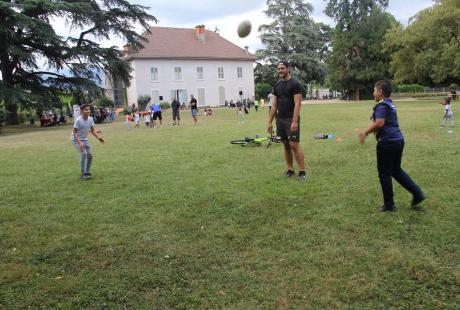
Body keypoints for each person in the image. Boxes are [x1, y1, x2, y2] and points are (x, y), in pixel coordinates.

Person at [358, 80, 425, 212]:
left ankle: (389, 205)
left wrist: (365, 132)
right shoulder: (390, 104)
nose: (373, 93)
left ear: (380, 92)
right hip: (398, 140)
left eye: (374, 90)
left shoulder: (381, 106)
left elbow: (380, 123)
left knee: (384, 174)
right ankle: (417, 193)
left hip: (387, 142)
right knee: (396, 170)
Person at [267, 60, 307, 181]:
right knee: (285, 145)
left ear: (288, 69)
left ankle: (302, 171)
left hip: (291, 118)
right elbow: (274, 106)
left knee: (294, 144)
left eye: (282, 68)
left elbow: (298, 103)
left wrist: (294, 121)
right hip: (280, 119)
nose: (280, 71)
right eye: (278, 69)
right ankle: (290, 169)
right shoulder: (277, 86)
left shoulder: (295, 84)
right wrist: (269, 122)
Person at [71, 104, 104, 180]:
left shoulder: (90, 119)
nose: (88, 111)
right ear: (81, 111)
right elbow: (74, 133)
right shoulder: (78, 120)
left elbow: (92, 131)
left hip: (84, 139)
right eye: (86, 109)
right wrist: (80, 143)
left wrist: (99, 138)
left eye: (89, 109)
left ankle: (87, 172)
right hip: (75, 139)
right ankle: (83, 173)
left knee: (90, 156)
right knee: (84, 154)